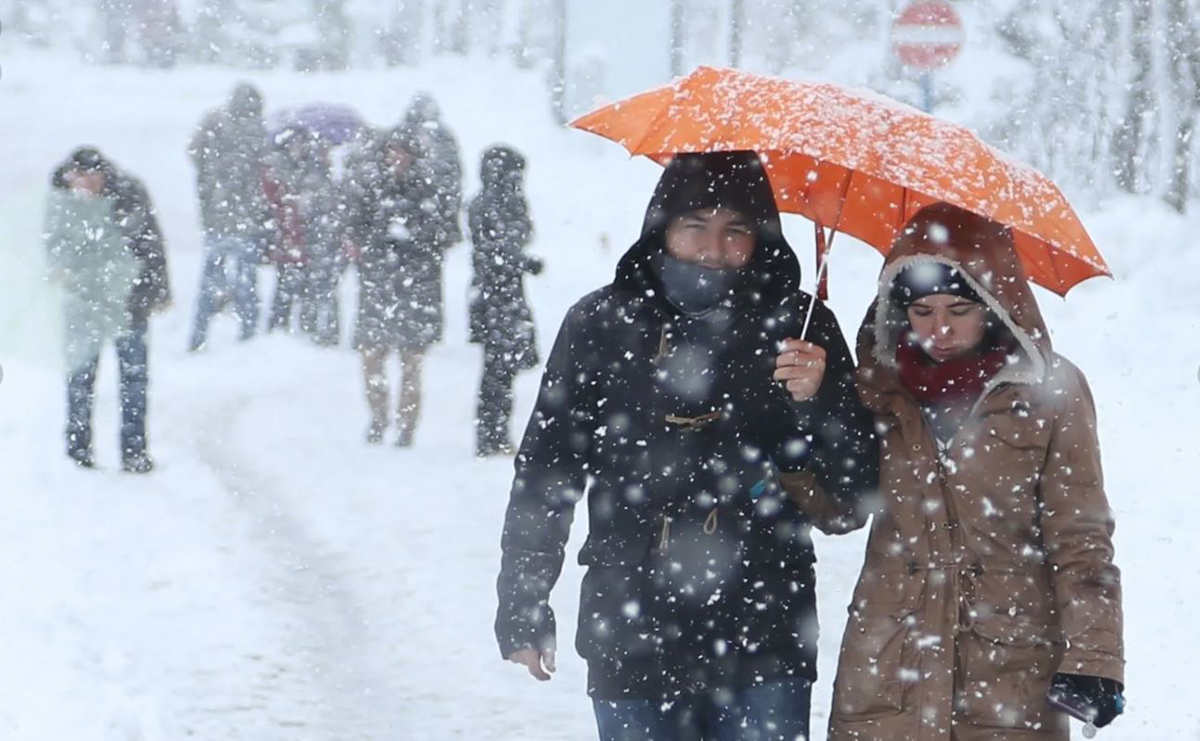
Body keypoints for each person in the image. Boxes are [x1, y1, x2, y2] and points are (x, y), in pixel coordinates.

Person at [495, 151, 878, 740]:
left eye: (736, 231)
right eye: (695, 226)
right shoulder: (599, 322)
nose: (713, 249)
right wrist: (523, 604)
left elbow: (855, 492)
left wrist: (821, 397)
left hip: (764, 627)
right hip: (630, 626)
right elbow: (548, 470)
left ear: (761, 238)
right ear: (661, 228)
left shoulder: (802, 328)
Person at [777, 202, 1125, 740]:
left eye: (959, 308)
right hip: (887, 681)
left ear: (995, 303)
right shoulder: (877, 387)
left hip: (1008, 686)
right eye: (922, 311)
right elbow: (841, 510)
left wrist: (1095, 658)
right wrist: (808, 416)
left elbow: (1080, 537)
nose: (939, 328)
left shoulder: (1050, 393)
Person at [45, 147, 171, 473]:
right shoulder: (62, 203)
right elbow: (52, 247)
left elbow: (151, 243)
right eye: (78, 179)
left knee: (133, 380)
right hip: (84, 305)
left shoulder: (130, 195)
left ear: (102, 175)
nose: (85, 185)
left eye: (90, 178)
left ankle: (134, 451)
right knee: (80, 379)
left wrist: (159, 290)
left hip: (129, 302)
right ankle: (77, 450)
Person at [345, 126, 441, 446]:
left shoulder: (426, 189)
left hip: (415, 286)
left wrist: (412, 240)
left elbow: (440, 235)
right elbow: (355, 227)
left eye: (402, 152)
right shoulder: (370, 186)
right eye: (392, 151)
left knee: (411, 361)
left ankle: (406, 425)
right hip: (379, 282)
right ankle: (378, 416)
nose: (397, 158)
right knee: (373, 356)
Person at [467, 145, 542, 457]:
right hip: (496, 295)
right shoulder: (490, 204)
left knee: (502, 367)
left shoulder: (502, 202)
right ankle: (491, 434)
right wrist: (523, 263)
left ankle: (495, 433)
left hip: (502, 294)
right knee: (498, 369)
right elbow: (494, 252)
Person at [188, 83, 272, 351]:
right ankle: (247, 337)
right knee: (247, 283)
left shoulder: (214, 123)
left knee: (210, 282)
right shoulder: (259, 132)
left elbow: (194, 154)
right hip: (247, 221)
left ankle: (199, 338)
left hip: (218, 218)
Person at [403, 92, 463, 251]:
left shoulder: (443, 133)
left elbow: (453, 163)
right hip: (419, 187)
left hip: (440, 185)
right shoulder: (407, 131)